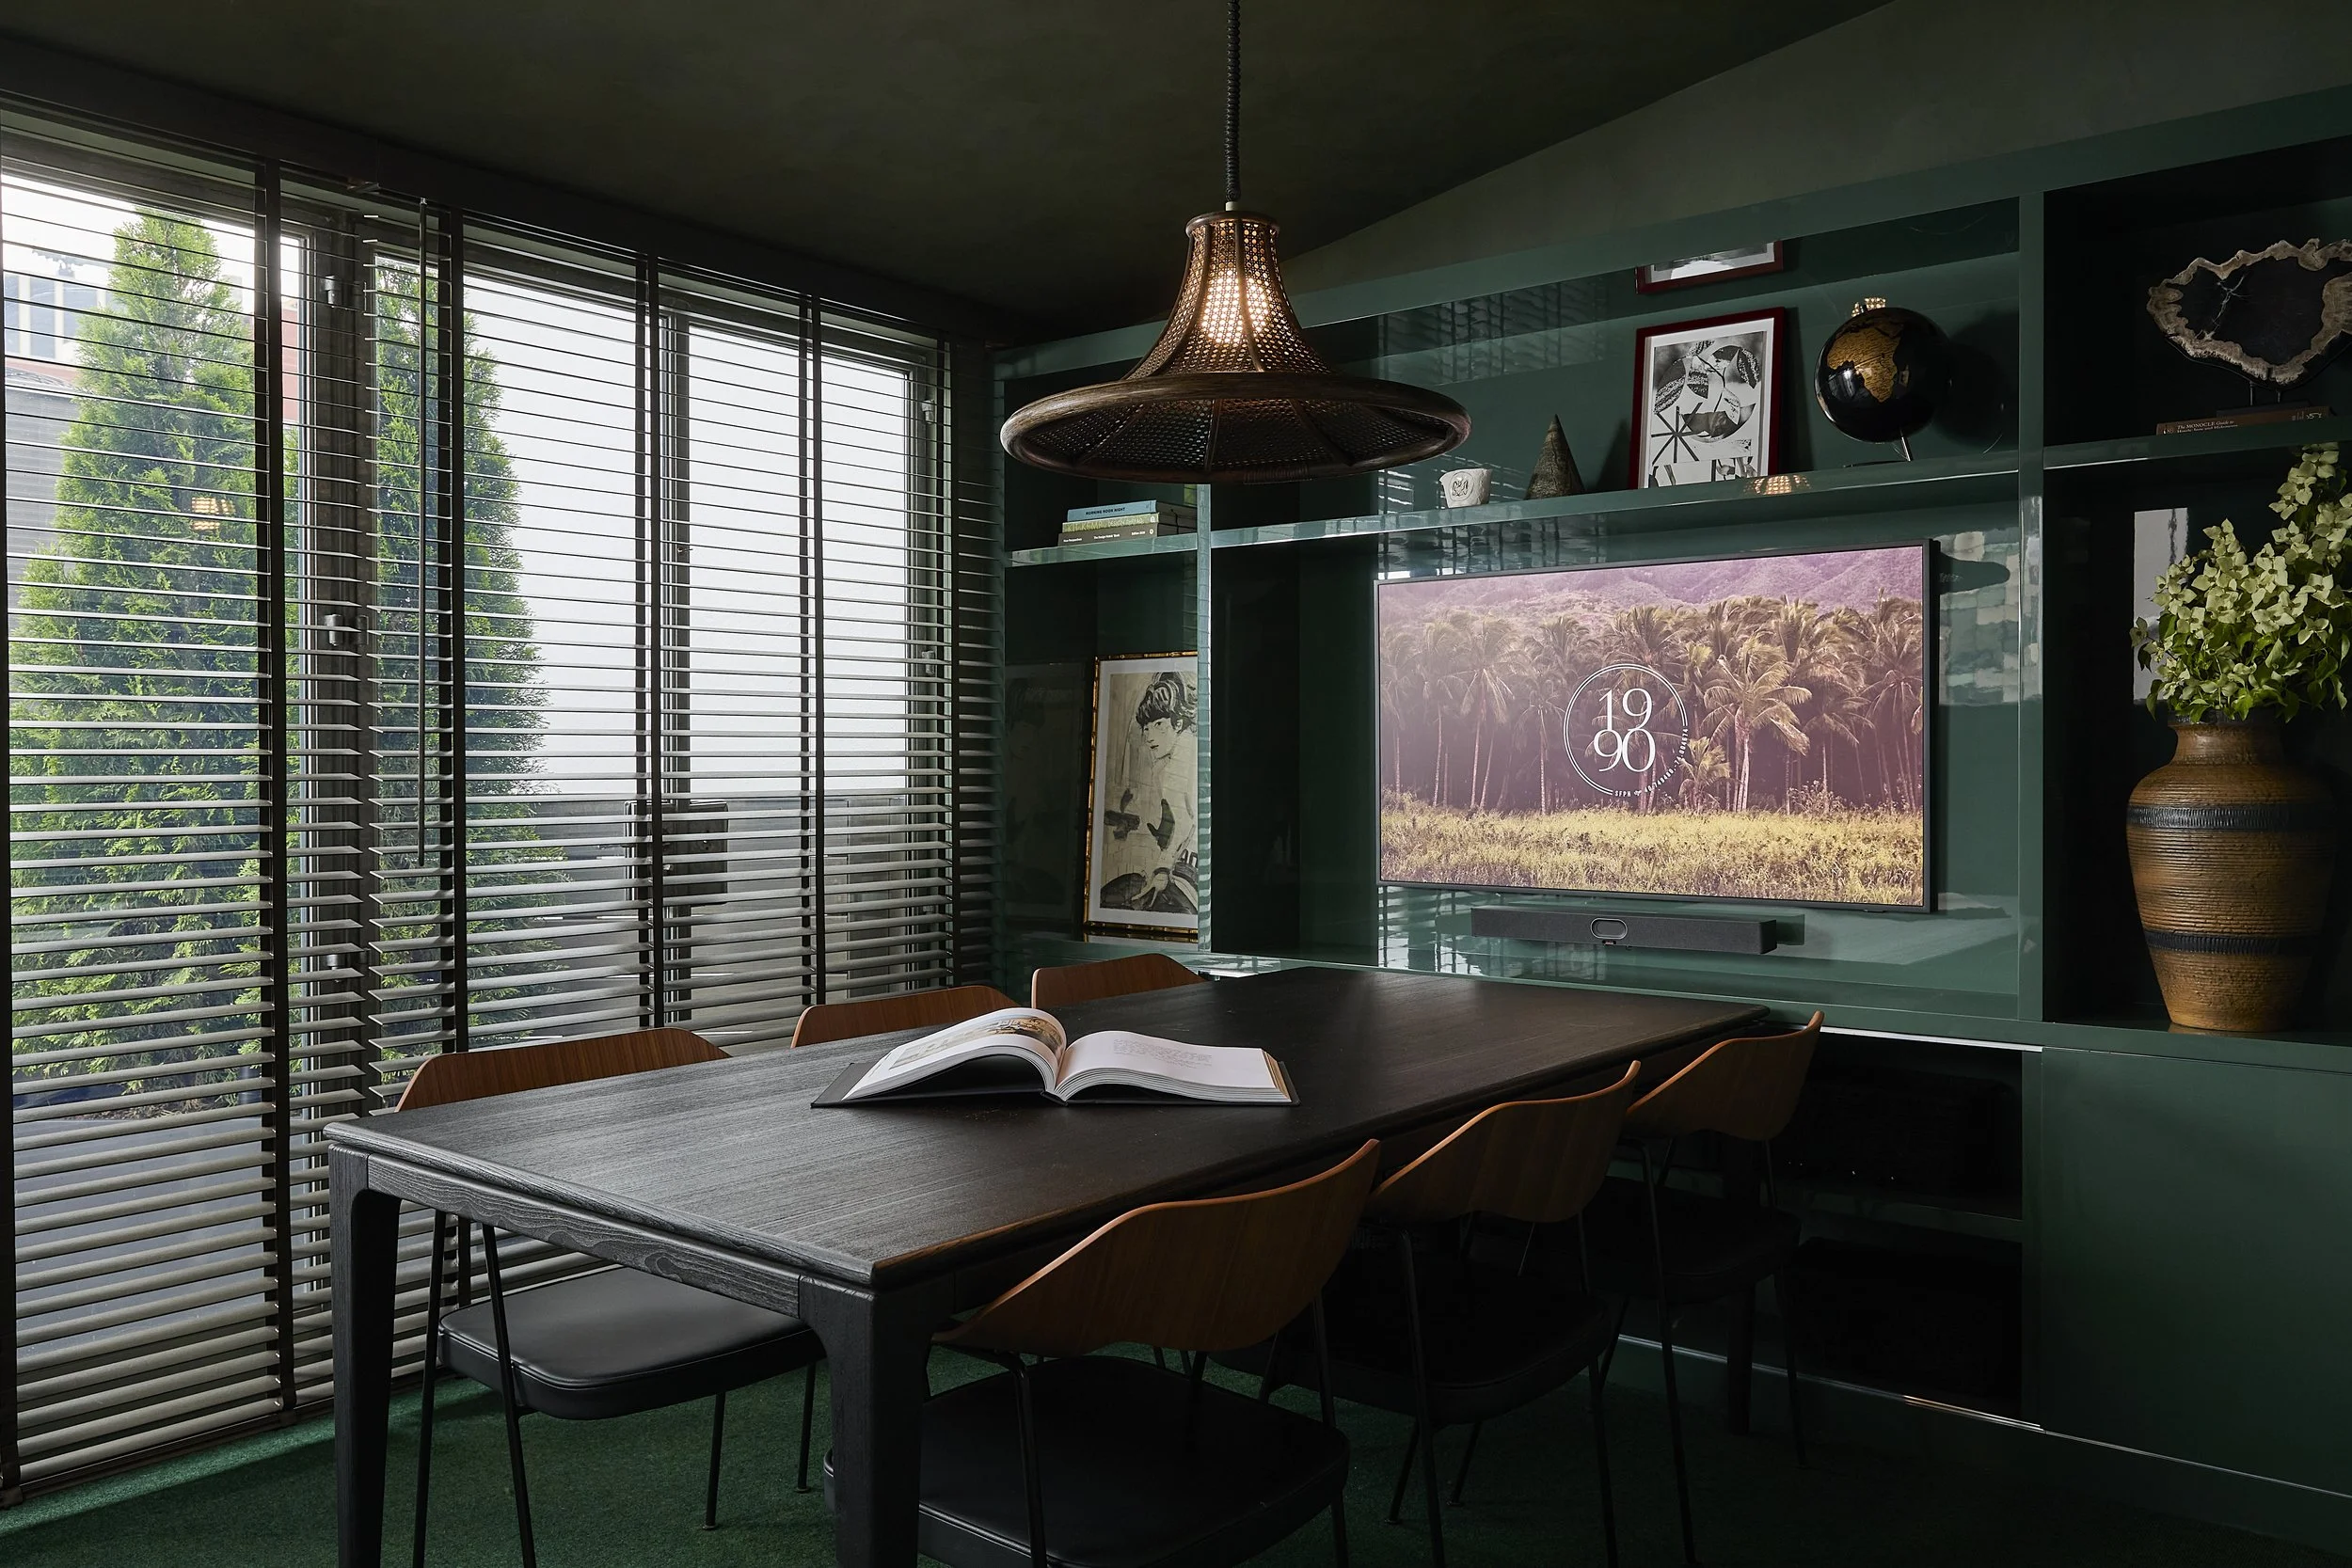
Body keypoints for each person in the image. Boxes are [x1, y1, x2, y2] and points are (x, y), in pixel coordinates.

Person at [1097, 671, 1197, 915]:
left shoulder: (1182, 759)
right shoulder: (1174, 757)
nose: (1149, 735)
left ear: (1178, 723)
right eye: (1147, 727)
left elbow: (1184, 822)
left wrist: (1163, 868)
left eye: (1159, 725)